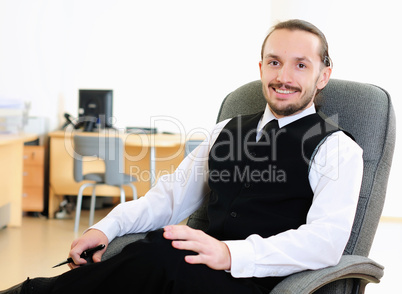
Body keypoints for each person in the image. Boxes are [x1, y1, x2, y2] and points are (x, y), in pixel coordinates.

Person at [1, 19, 363, 294]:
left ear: (323, 76)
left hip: (254, 281)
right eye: (274, 62)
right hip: (193, 268)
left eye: (301, 65)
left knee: (162, 256)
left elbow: (326, 241)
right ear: (260, 69)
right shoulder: (225, 131)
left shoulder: (336, 148)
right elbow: (168, 198)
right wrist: (104, 227)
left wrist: (231, 254)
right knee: (158, 246)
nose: (283, 76)